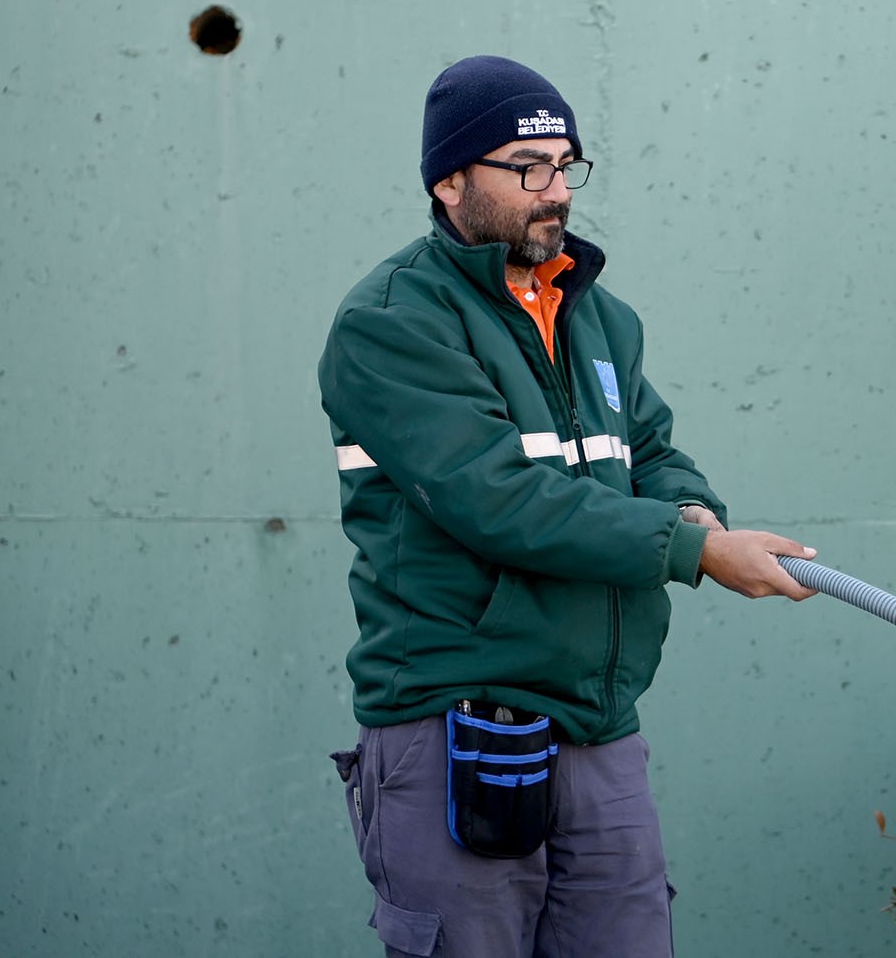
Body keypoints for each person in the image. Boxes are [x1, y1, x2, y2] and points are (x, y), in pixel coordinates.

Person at [319, 54, 816, 957]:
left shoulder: (599, 317)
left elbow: (653, 452)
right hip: (457, 725)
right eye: (528, 169)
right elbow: (497, 498)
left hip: (599, 727)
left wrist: (694, 513)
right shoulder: (392, 323)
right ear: (450, 179)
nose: (556, 192)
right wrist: (688, 551)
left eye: (566, 166)